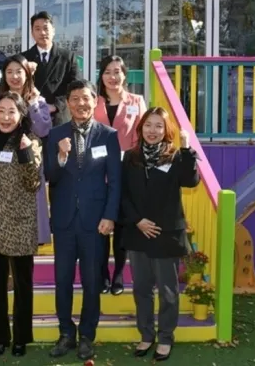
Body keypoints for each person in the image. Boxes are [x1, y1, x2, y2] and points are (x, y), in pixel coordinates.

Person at [46, 80, 122, 361]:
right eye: (75, 98)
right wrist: (61, 155)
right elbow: (50, 175)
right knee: (62, 281)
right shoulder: (56, 134)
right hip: (65, 221)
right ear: (68, 102)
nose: (80, 104)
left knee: (92, 282)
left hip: (95, 223)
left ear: (95, 101)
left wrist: (110, 216)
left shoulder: (108, 135)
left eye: (85, 98)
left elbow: (115, 181)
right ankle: (66, 332)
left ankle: (87, 335)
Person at [121, 107, 199, 362]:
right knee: (141, 289)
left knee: (168, 291)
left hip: (166, 235)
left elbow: (190, 181)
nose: (152, 131)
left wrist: (186, 149)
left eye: (158, 126)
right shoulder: (130, 157)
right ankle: (146, 335)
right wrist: (137, 221)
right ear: (140, 128)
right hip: (138, 232)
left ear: (166, 130)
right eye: (148, 125)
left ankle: (165, 338)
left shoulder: (175, 156)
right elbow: (123, 194)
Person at [0, 92, 42, 358]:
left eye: (11, 111)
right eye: (0, 111)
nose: (5, 117)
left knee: (23, 285)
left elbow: (33, 182)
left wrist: (25, 152)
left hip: (19, 225)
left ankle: (21, 339)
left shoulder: (30, 141)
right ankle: (0, 338)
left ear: (21, 115)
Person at [93, 55, 147, 295]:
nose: (112, 77)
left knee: (123, 227)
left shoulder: (136, 101)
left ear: (125, 74)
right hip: (98, 172)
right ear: (101, 75)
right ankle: (102, 273)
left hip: (126, 172)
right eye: (107, 72)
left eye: (117, 71)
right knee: (101, 226)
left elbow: (142, 137)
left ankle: (118, 275)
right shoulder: (93, 101)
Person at [0, 54, 52, 245]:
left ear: (27, 74)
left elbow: (43, 130)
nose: (14, 76)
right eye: (9, 72)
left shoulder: (38, 101)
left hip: (28, 163)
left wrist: (33, 104)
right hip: (2, 162)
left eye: (19, 71)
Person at [22, 11, 80, 126]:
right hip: (33, 117)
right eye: (37, 29)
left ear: (53, 30)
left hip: (60, 117)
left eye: (46, 28)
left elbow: (76, 88)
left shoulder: (67, 57)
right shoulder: (24, 58)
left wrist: (56, 105)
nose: (42, 32)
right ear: (32, 33)